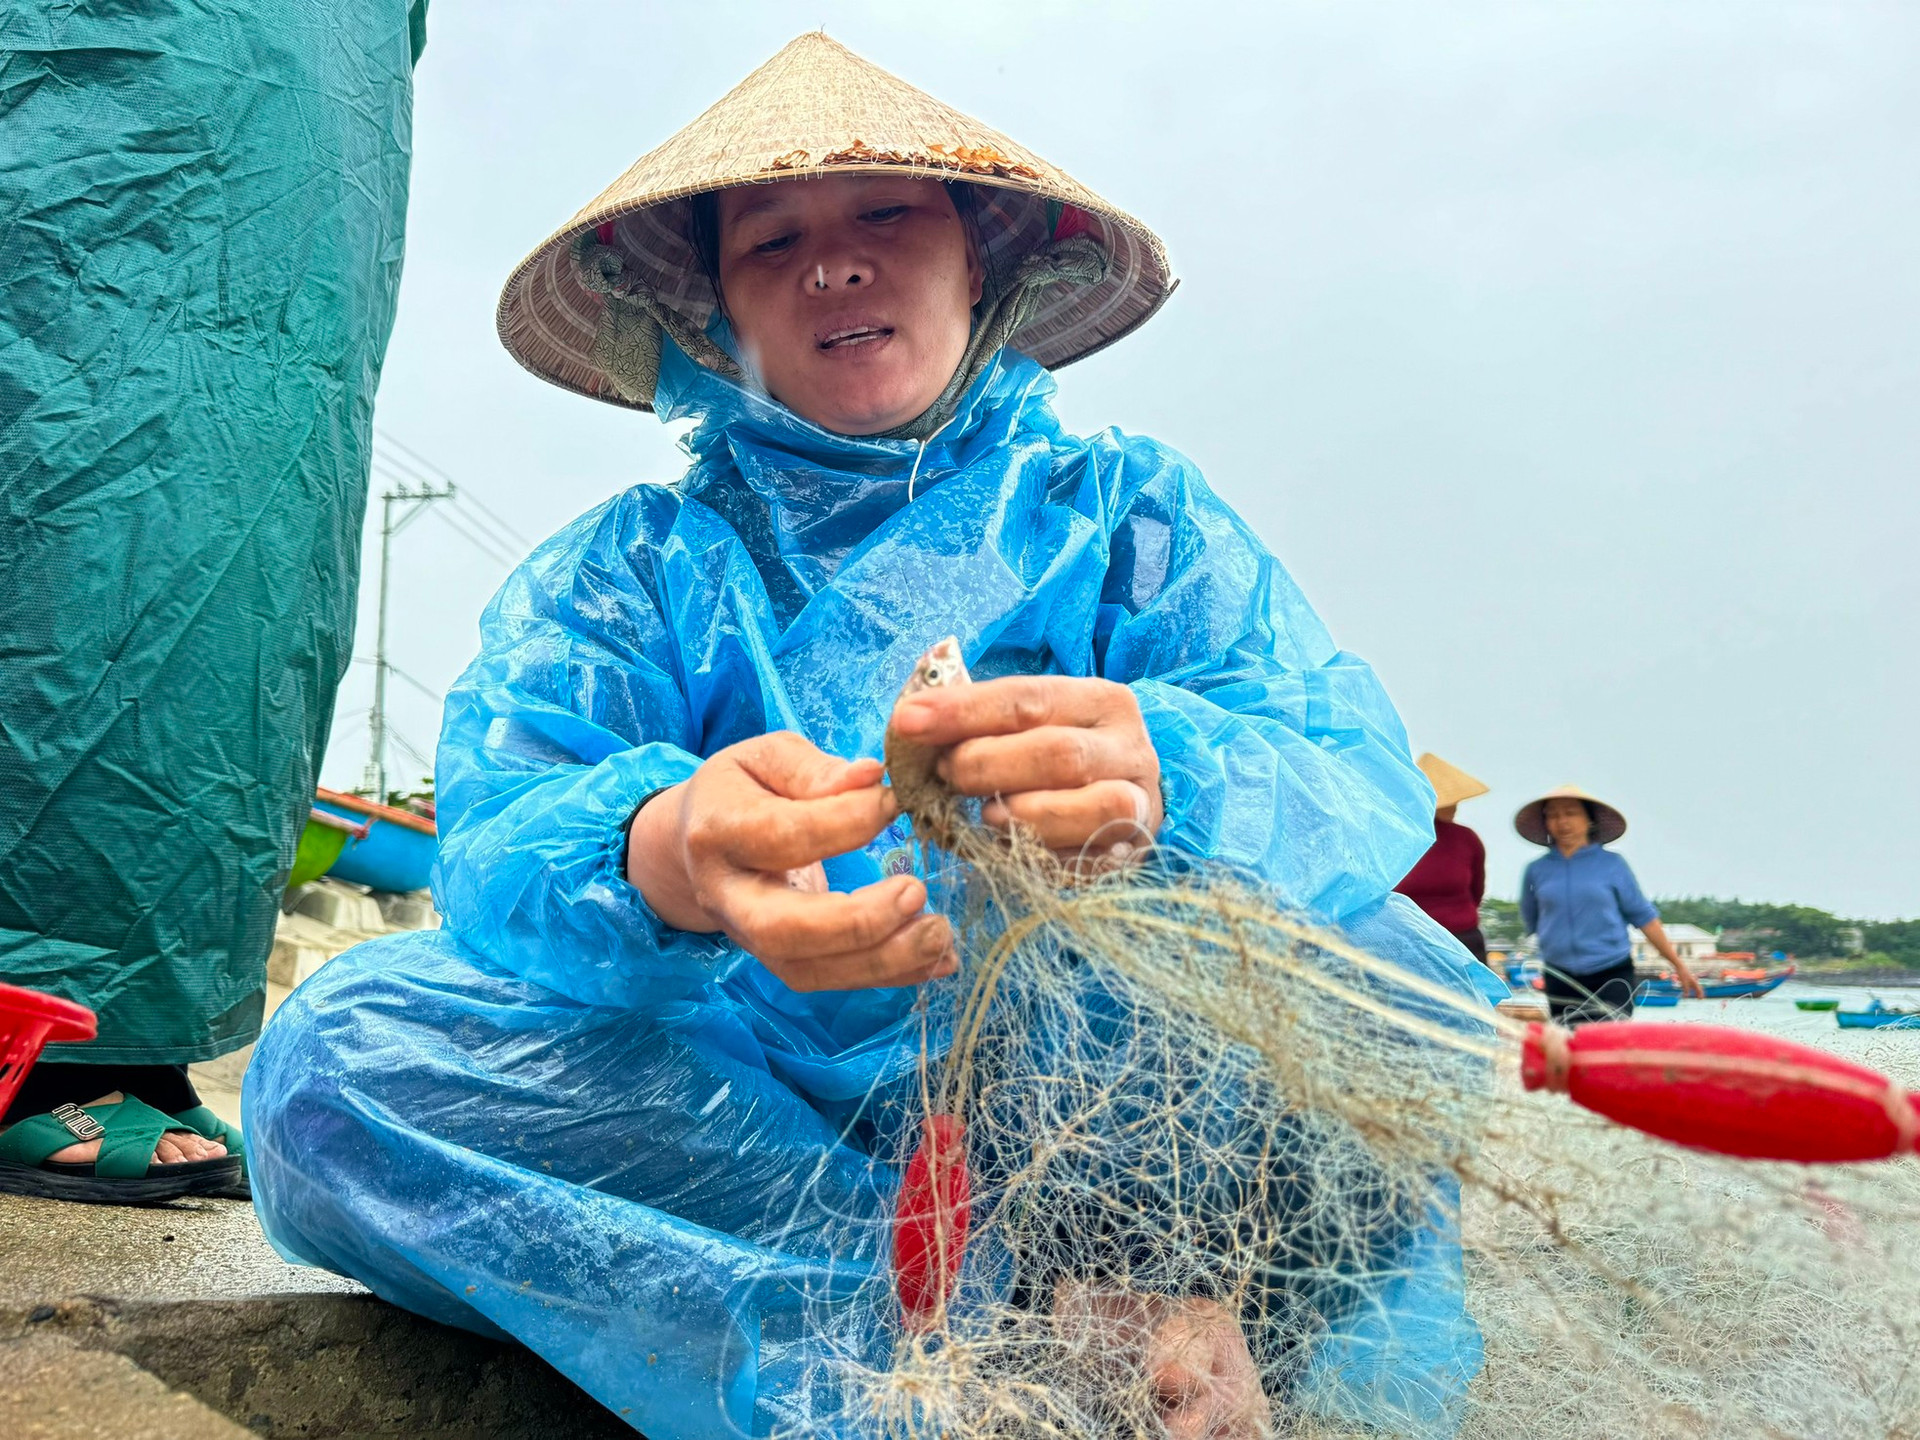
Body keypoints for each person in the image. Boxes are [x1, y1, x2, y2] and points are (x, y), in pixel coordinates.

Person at [246, 33, 1492, 1440]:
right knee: (336, 1060)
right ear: (705, 313)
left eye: (888, 217)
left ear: (989, 260)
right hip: (760, 1124)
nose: (832, 264)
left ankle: (1165, 1292)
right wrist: (664, 851)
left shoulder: (1133, 508)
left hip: (1121, 1126)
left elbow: (1343, 767)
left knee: (1405, 983)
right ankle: (1009, 1344)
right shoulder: (634, 568)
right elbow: (508, 832)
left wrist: (1168, 767)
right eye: (771, 239)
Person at [1516, 786, 1705, 1023]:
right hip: (1560, 974)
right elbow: (1531, 920)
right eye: (1552, 815)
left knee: (1609, 1039)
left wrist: (1678, 965)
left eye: (1570, 813)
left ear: (1589, 820)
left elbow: (1643, 917)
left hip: (1611, 970)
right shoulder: (1537, 870)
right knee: (1571, 1044)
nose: (1562, 821)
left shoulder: (1612, 865)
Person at [1395, 754, 1492, 966]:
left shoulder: (1467, 839)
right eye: (1450, 801)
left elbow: (1476, 891)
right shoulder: (1400, 839)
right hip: (1412, 942)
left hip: (1463, 940)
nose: (1455, 806)